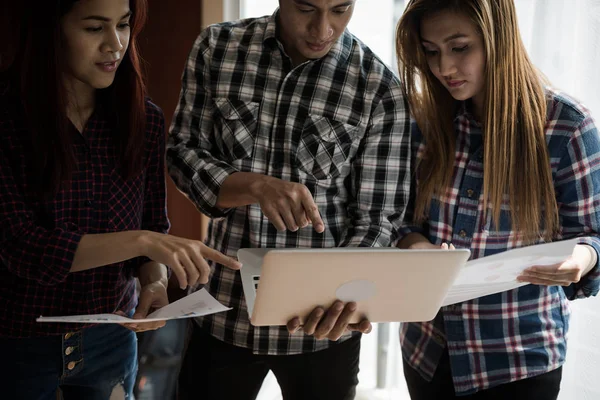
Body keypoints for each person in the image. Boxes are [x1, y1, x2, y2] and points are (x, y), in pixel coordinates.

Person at [166, 0, 411, 398]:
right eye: (306, 9)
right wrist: (252, 185)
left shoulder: (379, 87)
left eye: (340, 9)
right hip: (224, 313)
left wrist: (341, 301)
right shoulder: (218, 47)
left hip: (322, 333)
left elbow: (379, 219)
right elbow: (181, 151)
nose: (322, 29)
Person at [0, 1, 241, 399]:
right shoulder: (8, 119)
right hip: (18, 342)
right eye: (95, 28)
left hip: (110, 339)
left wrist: (155, 282)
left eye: (124, 25)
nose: (116, 44)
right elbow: (22, 246)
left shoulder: (142, 120)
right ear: (49, 32)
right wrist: (143, 241)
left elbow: (152, 226)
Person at [395, 0, 600, 398]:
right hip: (427, 350)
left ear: (498, 39)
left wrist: (580, 259)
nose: (443, 69)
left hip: (519, 361)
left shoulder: (567, 127)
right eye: (432, 51)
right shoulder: (426, 122)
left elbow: (594, 234)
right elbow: (402, 223)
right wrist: (418, 247)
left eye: (459, 48)